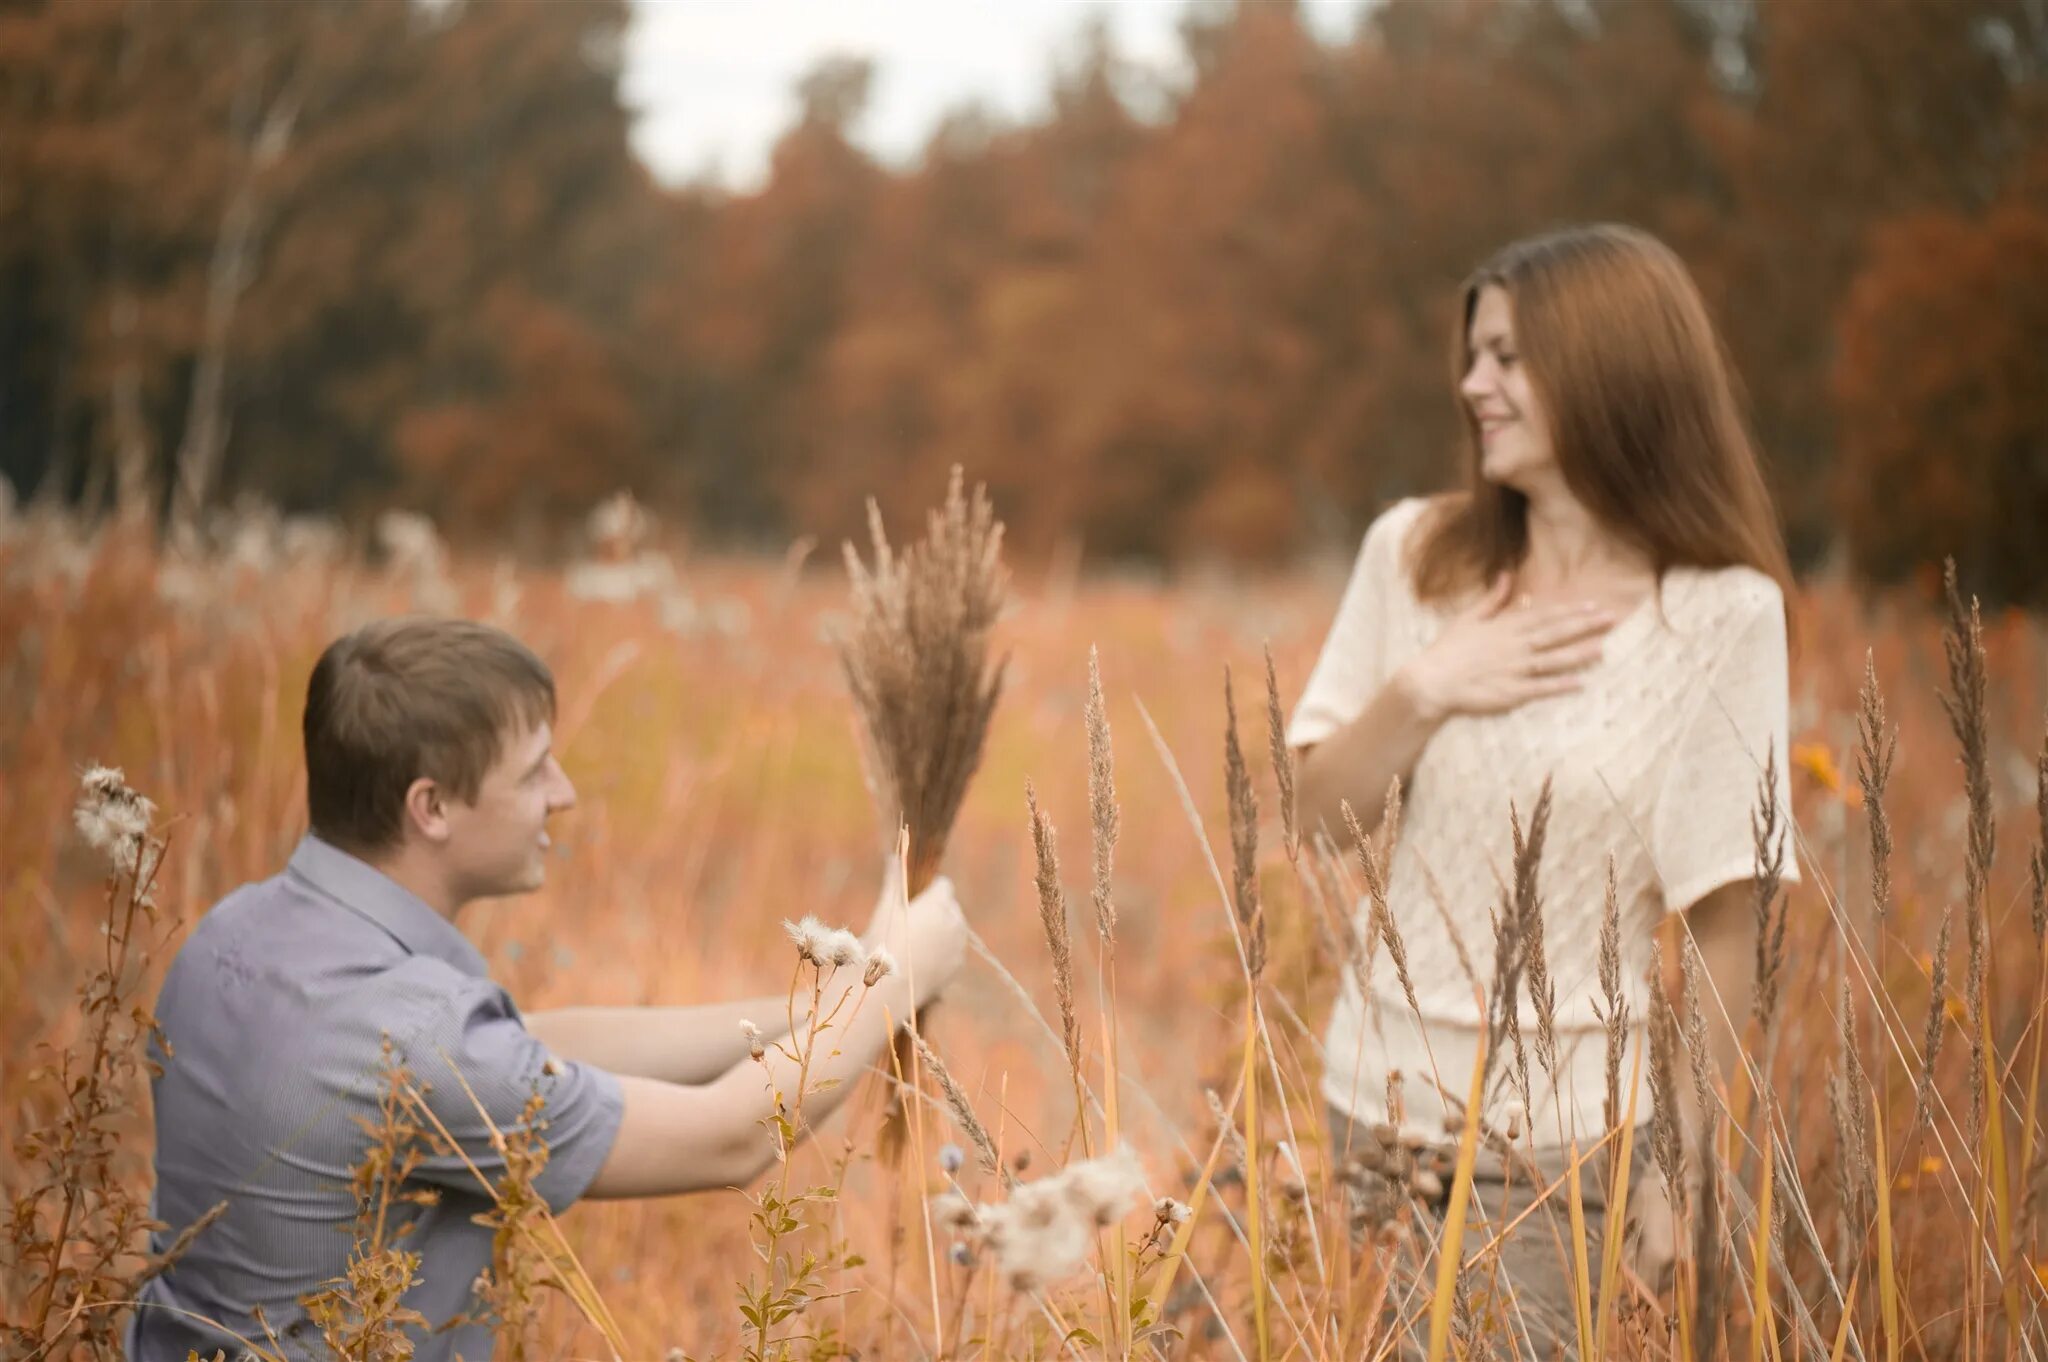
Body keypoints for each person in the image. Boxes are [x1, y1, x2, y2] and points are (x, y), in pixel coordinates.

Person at [129, 618, 969, 1361]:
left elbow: (529, 1048)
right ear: (431, 808)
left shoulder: (234, 934)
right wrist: (895, 982)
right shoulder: (421, 1037)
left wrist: (825, 1010)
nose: (562, 794)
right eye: (533, 773)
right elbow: (728, 1139)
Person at [1288, 224, 1799, 1352]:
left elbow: (1723, 928)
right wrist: (1424, 688)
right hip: (1367, 1104)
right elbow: (1318, 820)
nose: (1472, 384)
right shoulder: (1414, 554)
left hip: (1558, 1147)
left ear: (1610, 366)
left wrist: (1677, 1164)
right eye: (1472, 355)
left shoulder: (1720, 616)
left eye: (1508, 357)